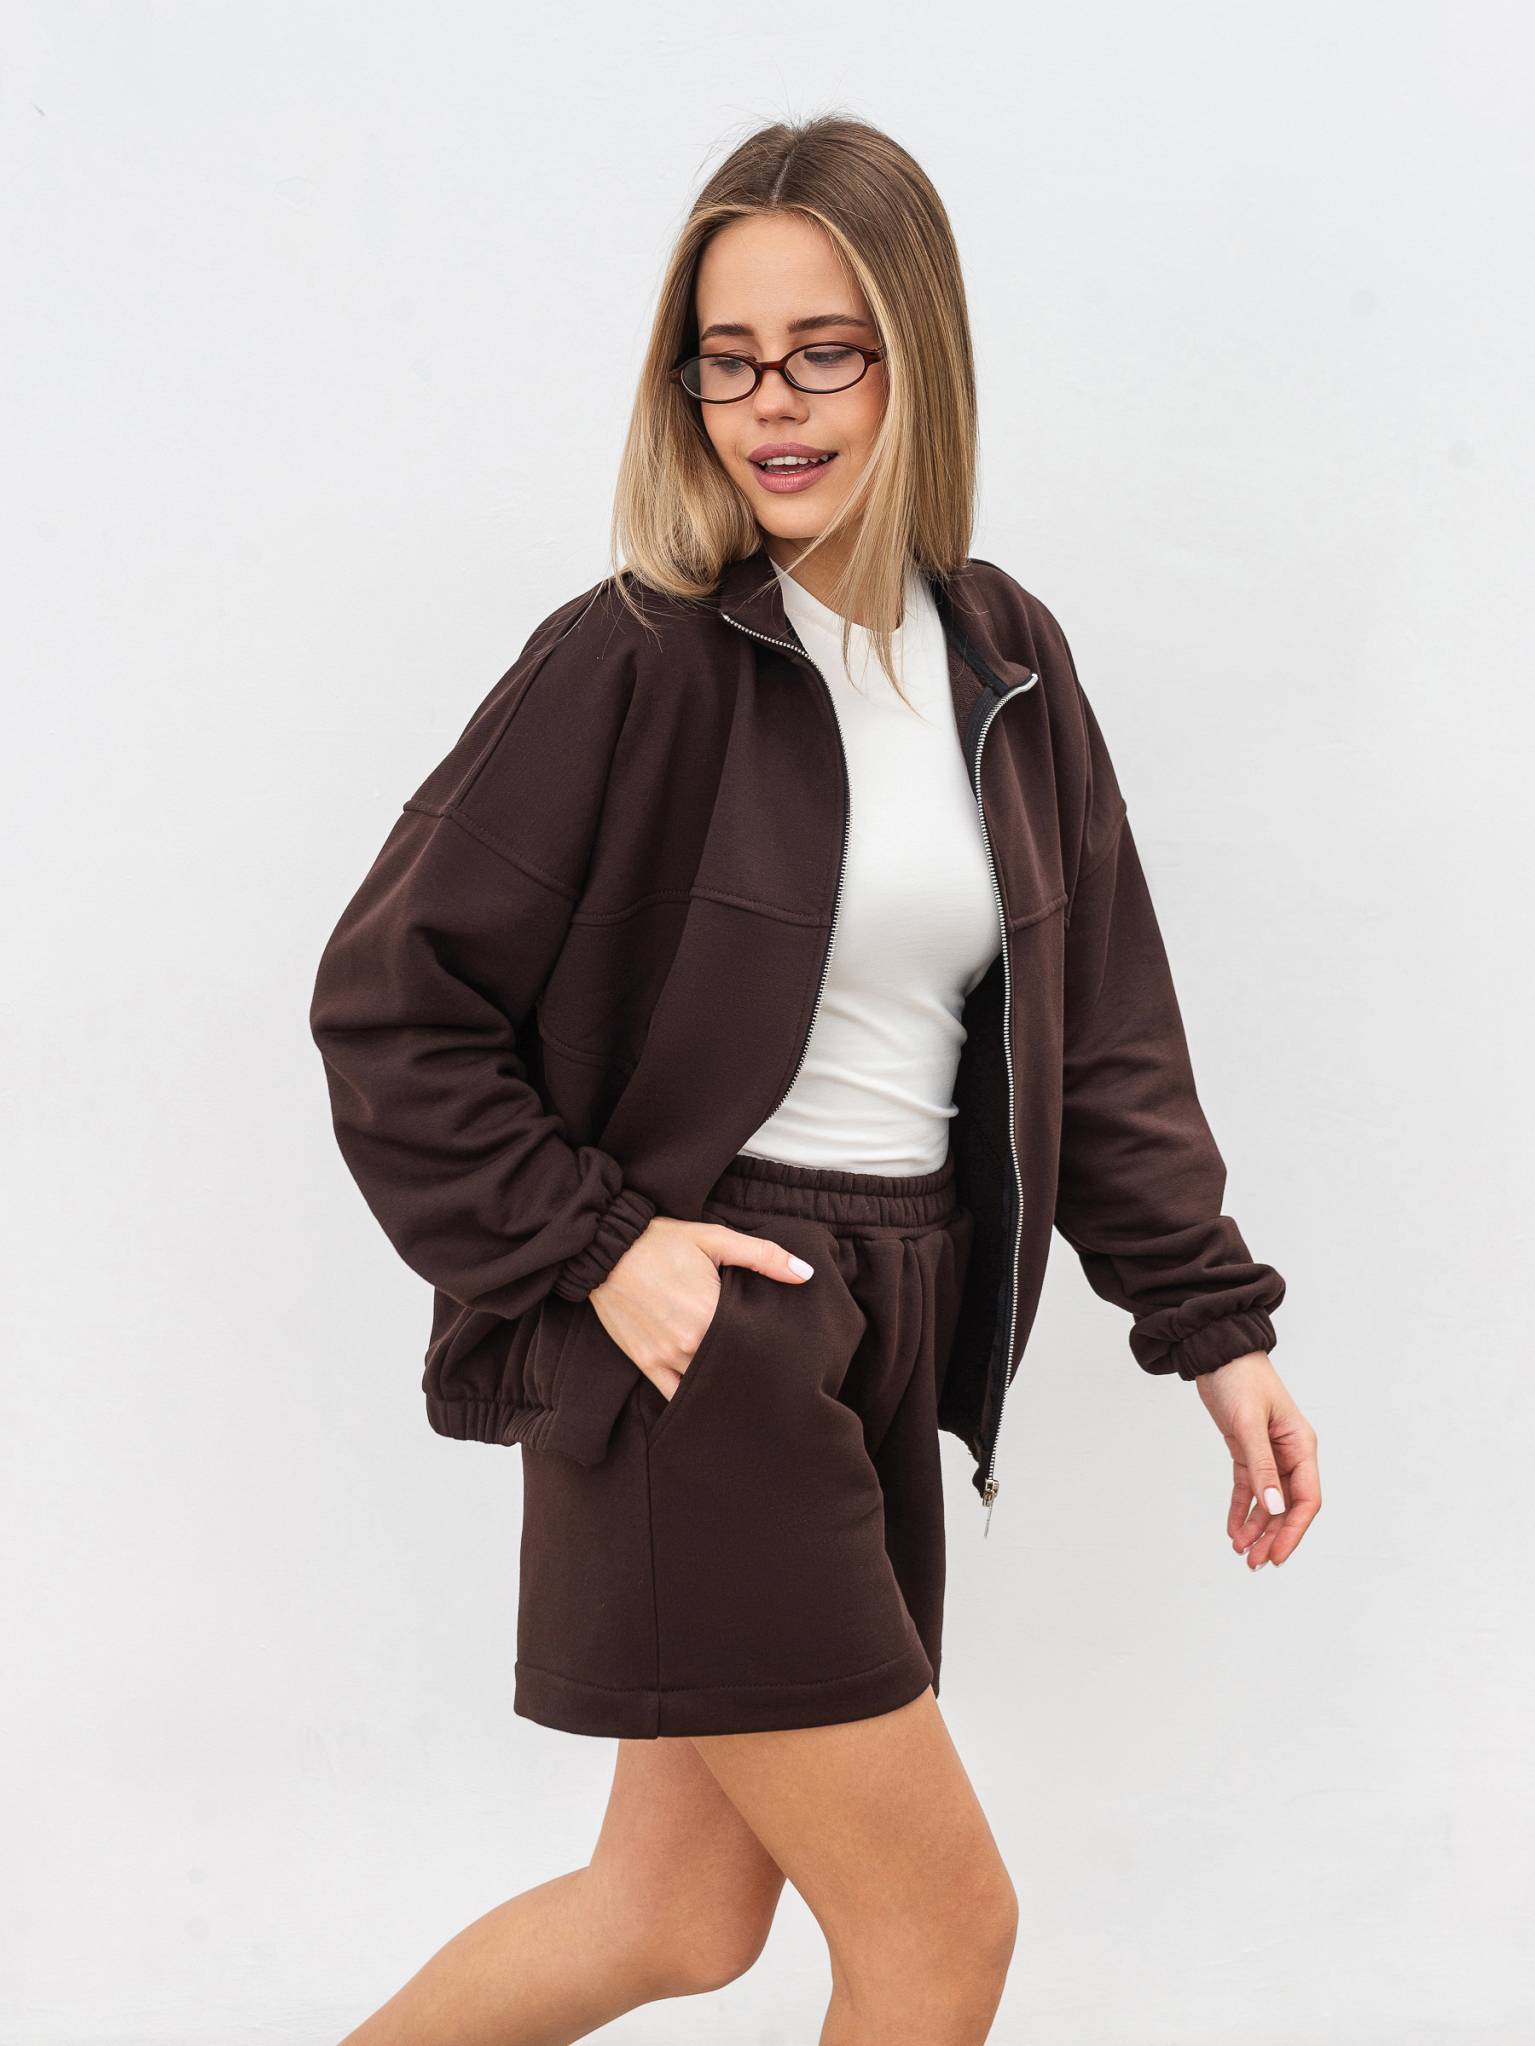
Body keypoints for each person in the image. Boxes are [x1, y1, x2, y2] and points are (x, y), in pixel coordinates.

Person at [309, 113, 1320, 2046]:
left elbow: (1102, 1028)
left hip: (890, 1314)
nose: (772, 404)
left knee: (672, 1914)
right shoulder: (633, 659)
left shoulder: (1003, 654)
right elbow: (390, 1001)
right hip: (722, 1330)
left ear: (914, 355)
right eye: (729, 358)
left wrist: (1217, 1328)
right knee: (945, 1930)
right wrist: (601, 1246)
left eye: (823, 351)